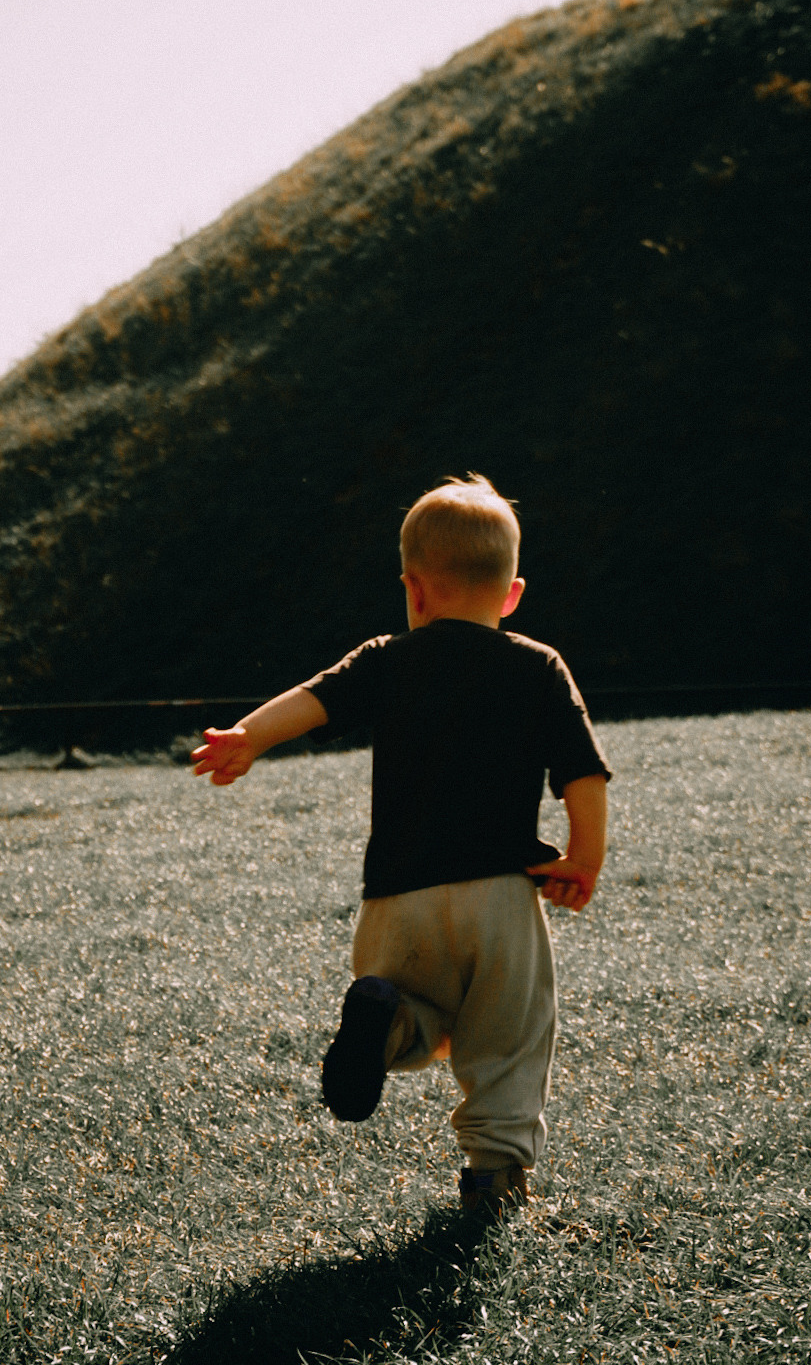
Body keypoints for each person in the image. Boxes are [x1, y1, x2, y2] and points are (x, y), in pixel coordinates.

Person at [192, 475, 610, 1216]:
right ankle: (494, 1175)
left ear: (414, 590)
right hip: (502, 900)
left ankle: (385, 1018)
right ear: (511, 594)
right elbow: (583, 773)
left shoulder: (387, 657)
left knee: (420, 1015)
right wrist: (582, 858)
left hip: (397, 901)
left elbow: (312, 700)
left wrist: (246, 737)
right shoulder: (539, 667)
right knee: (507, 1037)